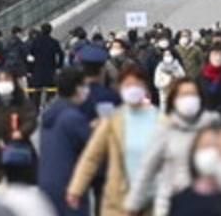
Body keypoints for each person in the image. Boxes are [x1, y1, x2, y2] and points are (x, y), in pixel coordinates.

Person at [67, 64, 161, 216]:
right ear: (120, 88)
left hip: (153, 200)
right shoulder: (113, 120)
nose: (133, 89)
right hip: (119, 200)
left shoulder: (160, 119)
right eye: (128, 85)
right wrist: (76, 189)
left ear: (145, 87)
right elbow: (92, 156)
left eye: (137, 84)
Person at [126, 79, 221, 216]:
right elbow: (147, 169)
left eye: (192, 94)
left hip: (210, 204)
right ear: (174, 100)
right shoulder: (165, 129)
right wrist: (133, 204)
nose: (189, 99)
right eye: (183, 95)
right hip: (170, 205)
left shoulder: (213, 124)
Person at [39, 68, 94, 216]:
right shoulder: (73, 118)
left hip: (47, 182)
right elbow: (94, 149)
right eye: (84, 85)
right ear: (76, 88)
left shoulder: (50, 114)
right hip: (70, 184)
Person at [0, 70, 39, 187]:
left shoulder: (23, 102)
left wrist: (21, 132)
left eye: (7, 80)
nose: (4, 83)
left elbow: (31, 120)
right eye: (1, 80)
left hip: (20, 152)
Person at [30, 24, 66, 106]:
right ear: (50, 31)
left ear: (41, 30)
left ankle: (36, 108)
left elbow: (30, 54)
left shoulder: (35, 42)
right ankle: (49, 105)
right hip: (50, 69)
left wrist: (31, 67)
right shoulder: (54, 42)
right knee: (51, 90)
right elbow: (61, 54)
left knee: (37, 92)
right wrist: (59, 66)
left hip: (38, 70)